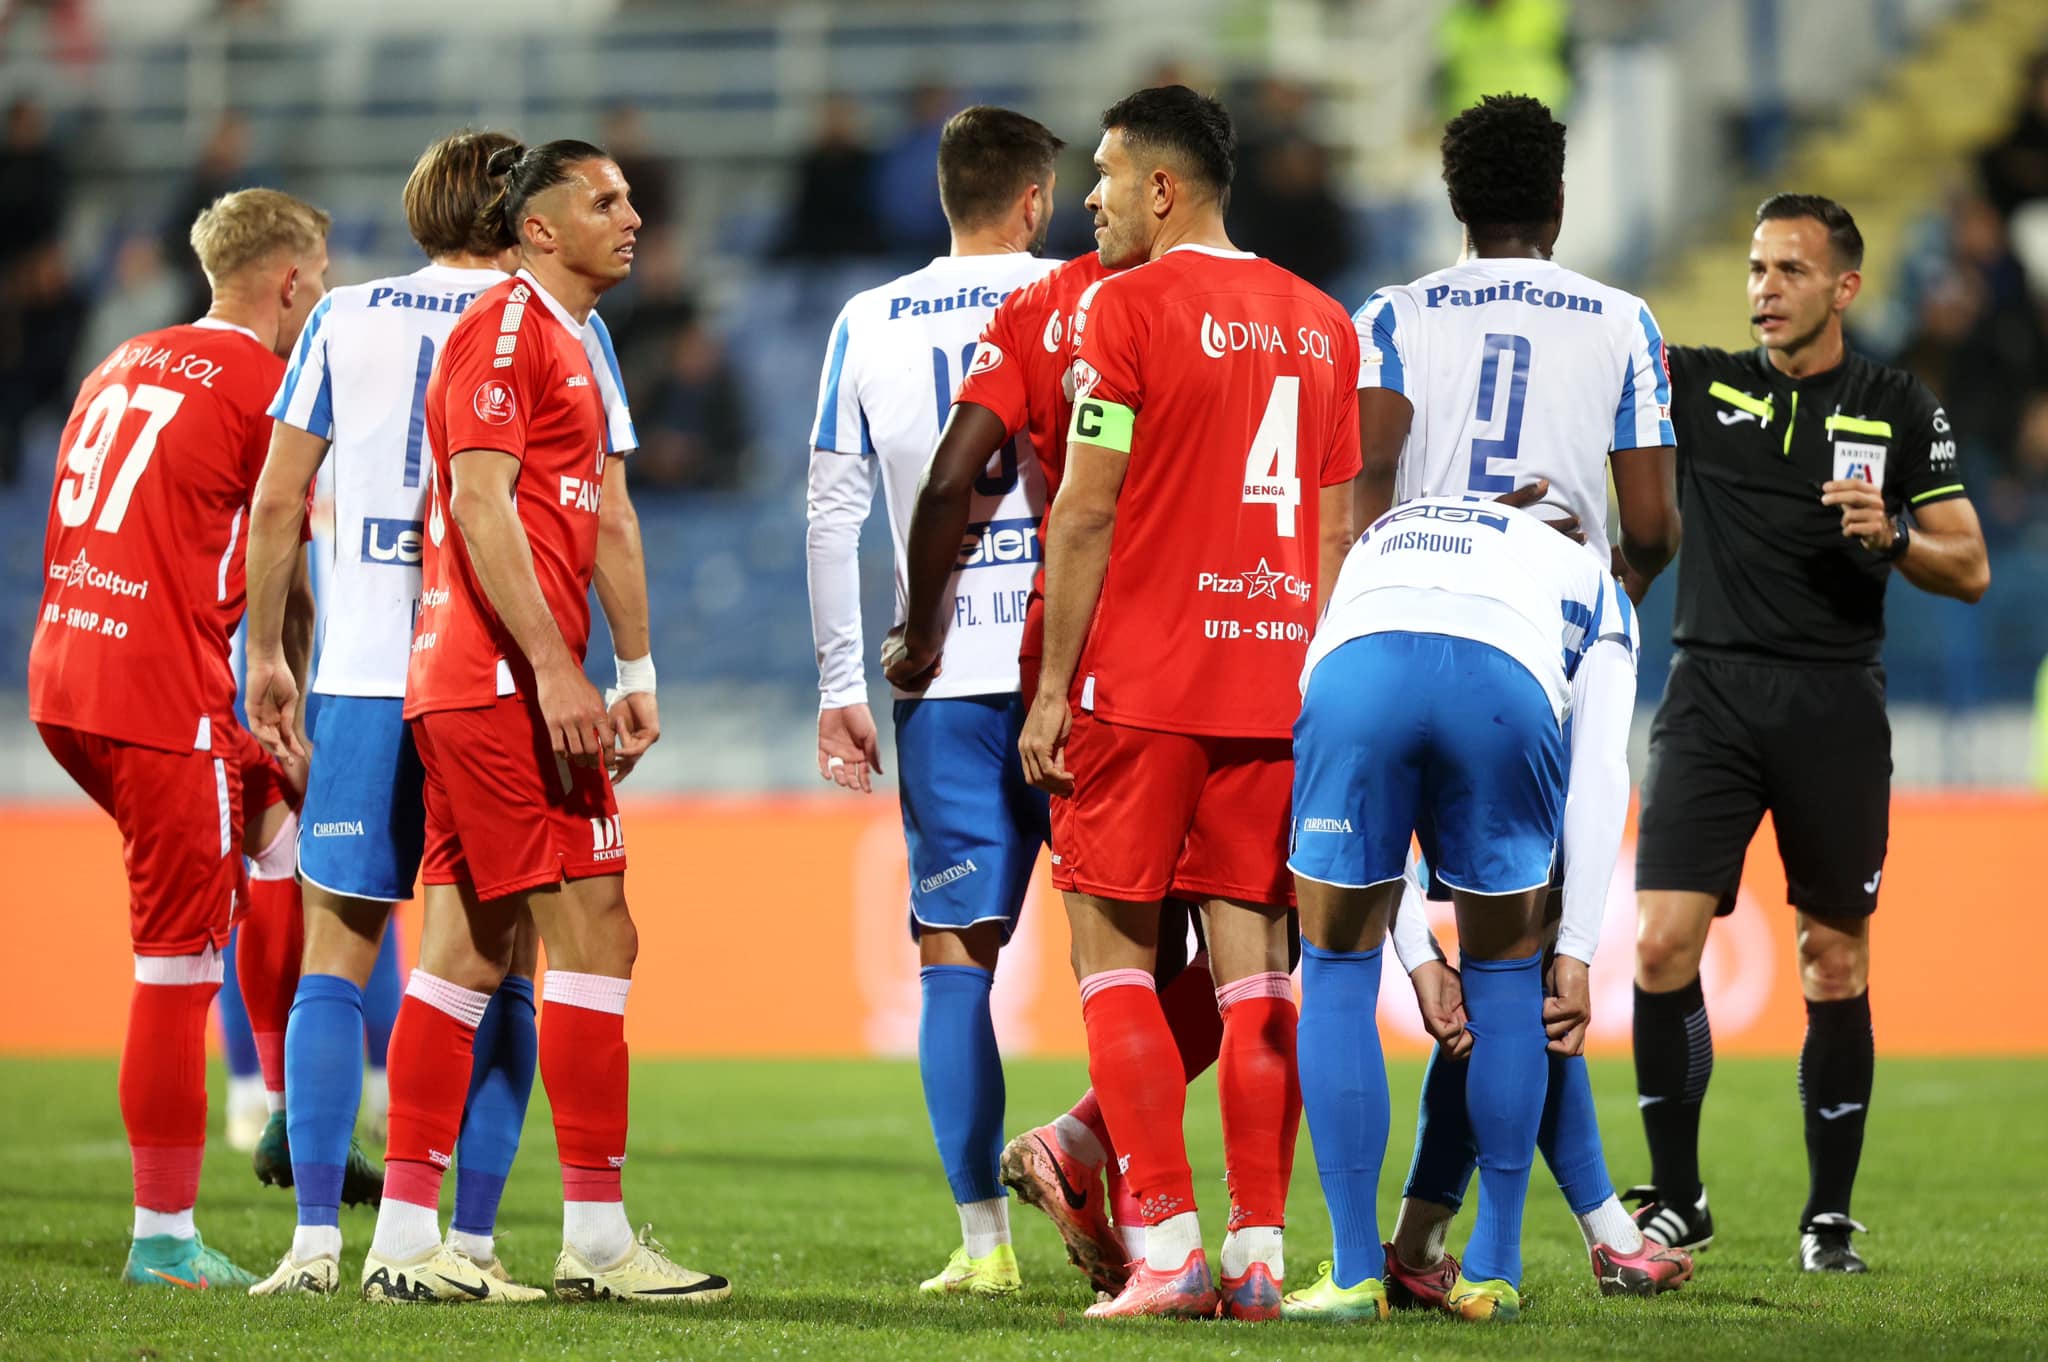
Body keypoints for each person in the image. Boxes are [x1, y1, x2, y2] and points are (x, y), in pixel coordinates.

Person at [1297, 92, 1688, 1317]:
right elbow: (1650, 526)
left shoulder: (1391, 316)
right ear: (1558, 202)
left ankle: (1373, 1257)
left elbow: (1358, 493)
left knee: (1344, 959)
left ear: (1452, 201)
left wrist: (1403, 564)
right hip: (1538, 652)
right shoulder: (1620, 321)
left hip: (1383, 622)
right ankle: (1510, 1255)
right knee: (1519, 974)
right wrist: (1585, 589)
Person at [242, 127, 632, 1297]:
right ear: (519, 214)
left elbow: (277, 501)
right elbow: (606, 507)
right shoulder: (557, 317)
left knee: (337, 954)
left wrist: (266, 652)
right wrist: (623, 662)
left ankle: (316, 1242)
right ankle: (467, 1240)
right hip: (488, 669)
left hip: (364, 668)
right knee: (496, 961)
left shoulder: (344, 315)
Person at [360, 138, 727, 1305]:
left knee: (467, 951)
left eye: (630, 198)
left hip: (500, 679)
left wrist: (635, 664)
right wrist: (554, 670)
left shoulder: (579, 339)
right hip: (494, 682)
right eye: (603, 201)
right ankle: (596, 1241)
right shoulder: (505, 331)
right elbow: (478, 503)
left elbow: (607, 514)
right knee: (597, 930)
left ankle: (404, 1243)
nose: (631, 216)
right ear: (537, 228)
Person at [1016, 85, 1360, 1321]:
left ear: (1161, 188)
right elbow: (1334, 533)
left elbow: (1084, 507)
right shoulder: (1324, 324)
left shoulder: (1120, 309)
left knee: (1111, 960)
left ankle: (1164, 1244)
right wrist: (1312, 679)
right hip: (1276, 685)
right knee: (1255, 977)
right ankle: (1257, 1253)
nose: (1090, 198)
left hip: (1142, 684)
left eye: (1105, 175)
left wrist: (1050, 688)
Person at [1629, 194, 1990, 1273]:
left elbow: (1969, 565)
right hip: (1707, 693)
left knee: (1831, 961)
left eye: (1789, 270)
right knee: (1657, 944)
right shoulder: (1699, 383)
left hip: (1833, 703)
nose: (1764, 289)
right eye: (1755, 268)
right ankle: (1678, 1199)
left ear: (1844, 287)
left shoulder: (1894, 403)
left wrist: (1893, 538)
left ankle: (1828, 1216)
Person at [883, 242, 1231, 1298]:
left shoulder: (1007, 313)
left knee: (956, 959)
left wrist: (906, 639)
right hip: (1135, 667)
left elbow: (917, 486)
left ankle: (986, 1244)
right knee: (1188, 953)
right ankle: (1130, 1198)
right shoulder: (1197, 308)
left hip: (965, 678)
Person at [27, 186, 330, 1290]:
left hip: (67, 673)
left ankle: (288, 1103)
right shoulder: (267, 385)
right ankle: (162, 1238)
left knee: (278, 823)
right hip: (161, 697)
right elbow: (285, 545)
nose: (324, 298)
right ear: (288, 280)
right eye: (322, 279)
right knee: (175, 963)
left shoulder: (120, 361)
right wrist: (285, 678)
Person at [804, 105, 1064, 1296]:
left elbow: (831, 511)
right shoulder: (1087, 297)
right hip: (1077, 667)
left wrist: (838, 681)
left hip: (942, 674)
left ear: (944, 195)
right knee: (1136, 951)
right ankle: (1144, 1215)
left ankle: (982, 1245)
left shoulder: (867, 317)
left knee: (955, 956)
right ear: (1035, 199)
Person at [1286, 493, 1609, 1323]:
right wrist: (1575, 947)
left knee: (1336, 971)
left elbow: (1336, 705)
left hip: (1357, 668)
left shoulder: (1387, 532)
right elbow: (1601, 778)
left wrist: (1418, 956)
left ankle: (1354, 1274)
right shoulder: (1596, 583)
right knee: (1505, 978)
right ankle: (1493, 1272)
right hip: (1502, 684)